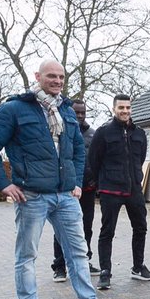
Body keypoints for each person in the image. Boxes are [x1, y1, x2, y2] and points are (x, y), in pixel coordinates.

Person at [0, 60, 124, 299]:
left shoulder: (66, 110)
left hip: (65, 195)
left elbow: (77, 150)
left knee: (79, 253)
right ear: (38, 77)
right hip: (31, 195)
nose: (57, 81)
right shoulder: (15, 109)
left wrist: (77, 182)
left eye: (61, 76)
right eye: (51, 76)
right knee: (27, 256)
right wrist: (3, 184)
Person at [85, 93, 150, 290]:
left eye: (127, 108)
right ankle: (106, 272)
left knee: (140, 228)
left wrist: (133, 177)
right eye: (121, 108)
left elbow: (140, 159)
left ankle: (137, 267)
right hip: (110, 190)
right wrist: (104, 180)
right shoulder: (103, 132)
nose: (125, 111)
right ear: (113, 109)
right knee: (107, 231)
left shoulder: (140, 133)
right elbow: (94, 160)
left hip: (134, 189)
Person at [51, 99, 98, 282]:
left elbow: (97, 159)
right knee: (61, 228)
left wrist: (96, 180)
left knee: (86, 227)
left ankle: (85, 261)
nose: (79, 116)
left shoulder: (93, 134)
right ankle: (60, 266)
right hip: (66, 190)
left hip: (87, 188)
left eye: (83, 112)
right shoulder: (61, 130)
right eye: (76, 112)